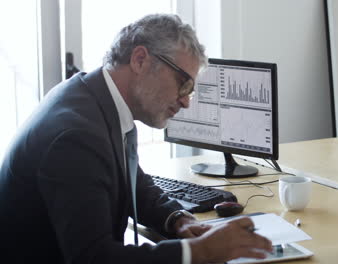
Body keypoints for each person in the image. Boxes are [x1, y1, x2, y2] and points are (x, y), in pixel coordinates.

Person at [0, 14, 272, 264]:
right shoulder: (77, 137)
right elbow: (94, 258)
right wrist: (200, 251)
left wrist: (176, 218)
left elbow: (132, 180)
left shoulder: (92, 98)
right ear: (140, 60)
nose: (186, 102)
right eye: (183, 84)